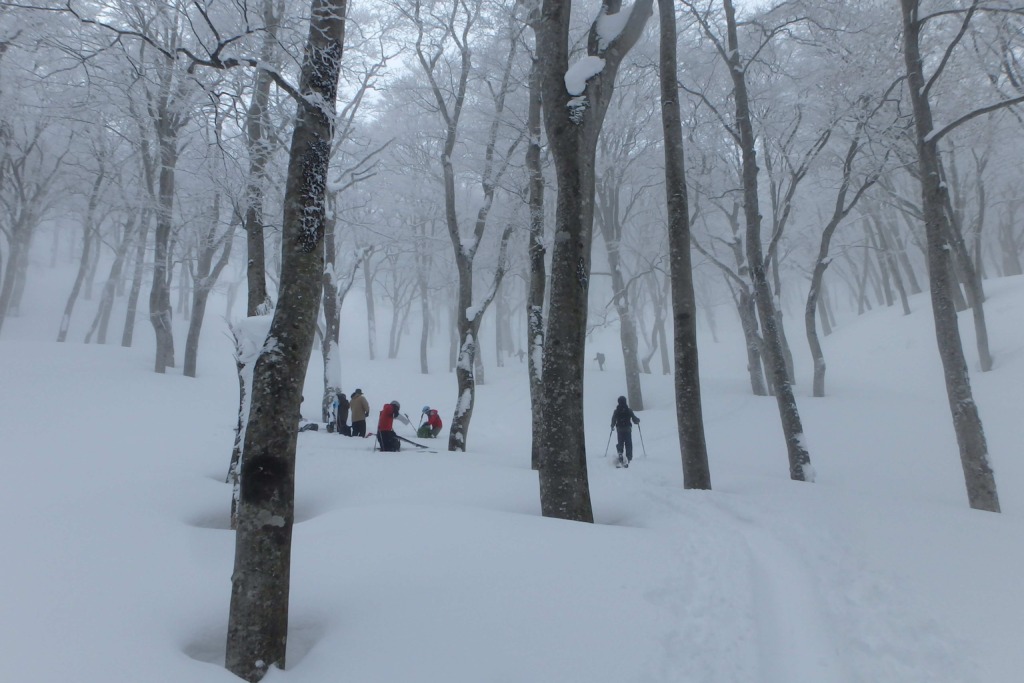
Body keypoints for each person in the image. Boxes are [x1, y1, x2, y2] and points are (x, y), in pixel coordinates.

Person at [610, 395, 640, 467]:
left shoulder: (616, 411)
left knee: (620, 442)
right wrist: (637, 421)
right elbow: (634, 419)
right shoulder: (629, 410)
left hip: (619, 429)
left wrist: (612, 426)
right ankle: (629, 458)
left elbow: (613, 419)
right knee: (628, 443)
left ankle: (620, 454)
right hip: (627, 429)